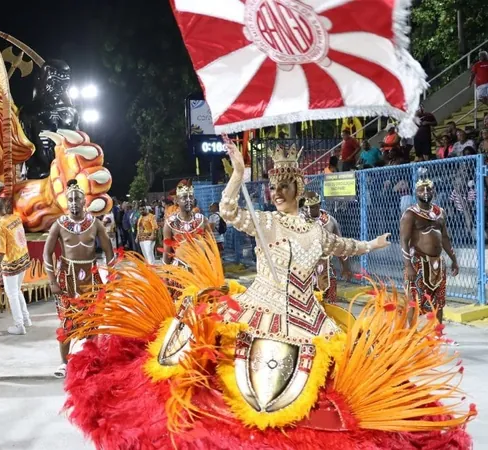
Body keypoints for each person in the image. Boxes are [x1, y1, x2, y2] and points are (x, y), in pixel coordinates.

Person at [59, 142, 474, 449]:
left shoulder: (316, 230)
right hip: (260, 305)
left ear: (297, 187)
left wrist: (376, 243)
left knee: (325, 390)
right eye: (272, 185)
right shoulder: (265, 222)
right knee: (227, 377)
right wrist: (238, 174)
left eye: (282, 185)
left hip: (308, 316)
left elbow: (343, 247)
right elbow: (228, 211)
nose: (275, 191)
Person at [43, 180, 114, 379]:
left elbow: (109, 252)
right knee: (67, 322)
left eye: (78, 198)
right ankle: (64, 363)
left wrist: (112, 279)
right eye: (71, 199)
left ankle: (92, 359)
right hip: (67, 277)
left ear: (84, 201)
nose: (74, 202)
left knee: (93, 320)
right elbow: (47, 253)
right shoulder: (60, 224)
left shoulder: (94, 223)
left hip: (91, 277)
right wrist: (52, 281)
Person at [400, 177, 459, 325]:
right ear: (416, 193)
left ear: (434, 191)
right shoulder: (410, 214)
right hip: (418, 262)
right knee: (414, 299)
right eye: (421, 189)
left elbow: (445, 238)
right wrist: (408, 265)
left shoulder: (440, 213)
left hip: (438, 263)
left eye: (428, 189)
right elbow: (404, 240)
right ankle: (412, 334)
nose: (425, 192)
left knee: (439, 300)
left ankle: (437, 333)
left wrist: (454, 259)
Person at [0, 198, 32, 335]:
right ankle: (26, 319)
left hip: (11, 264)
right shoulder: (16, 218)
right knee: (17, 290)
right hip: (23, 258)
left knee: (12, 294)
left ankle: (19, 325)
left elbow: (0, 250)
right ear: (5, 208)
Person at [303, 191, 351, 303]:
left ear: (319, 205)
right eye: (306, 208)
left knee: (329, 307)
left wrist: (345, 267)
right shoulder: (299, 221)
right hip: (304, 273)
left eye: (313, 207)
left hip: (326, 272)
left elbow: (340, 246)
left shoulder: (330, 222)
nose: (309, 211)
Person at [162, 181, 214, 267]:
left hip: (201, 269)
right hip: (181, 271)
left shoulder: (202, 220)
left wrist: (214, 267)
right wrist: (165, 272)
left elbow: (211, 246)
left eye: (191, 197)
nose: (189, 200)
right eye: (184, 197)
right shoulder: (170, 223)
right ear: (177, 201)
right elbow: (167, 250)